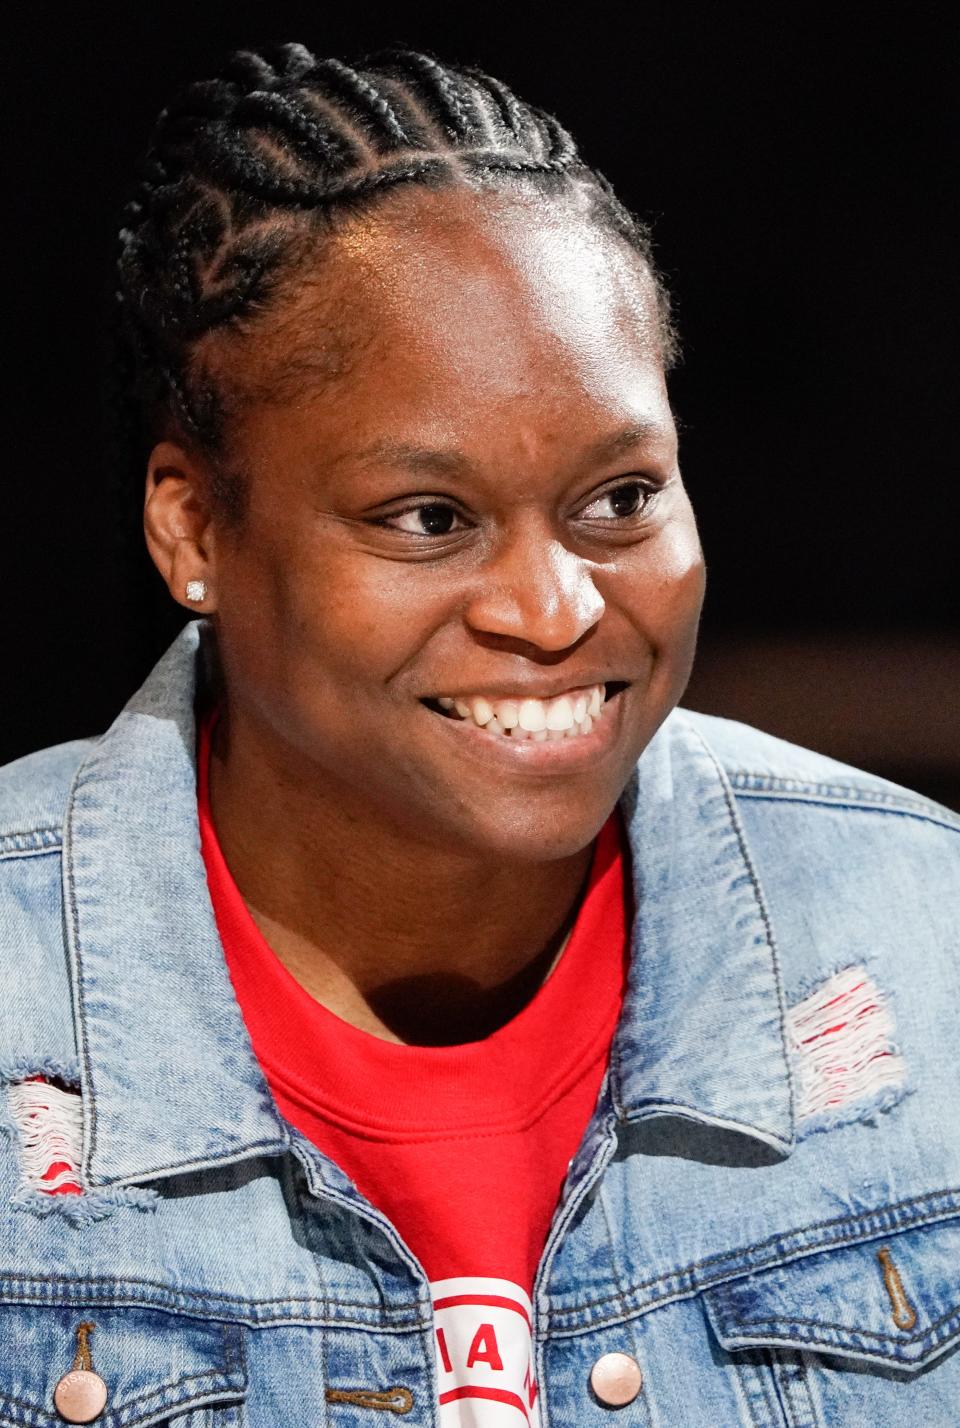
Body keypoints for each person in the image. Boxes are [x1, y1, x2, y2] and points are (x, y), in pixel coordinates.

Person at [1, 42, 958, 1428]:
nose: (558, 607)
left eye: (620, 499)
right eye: (428, 520)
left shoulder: (922, 949)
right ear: (192, 526)